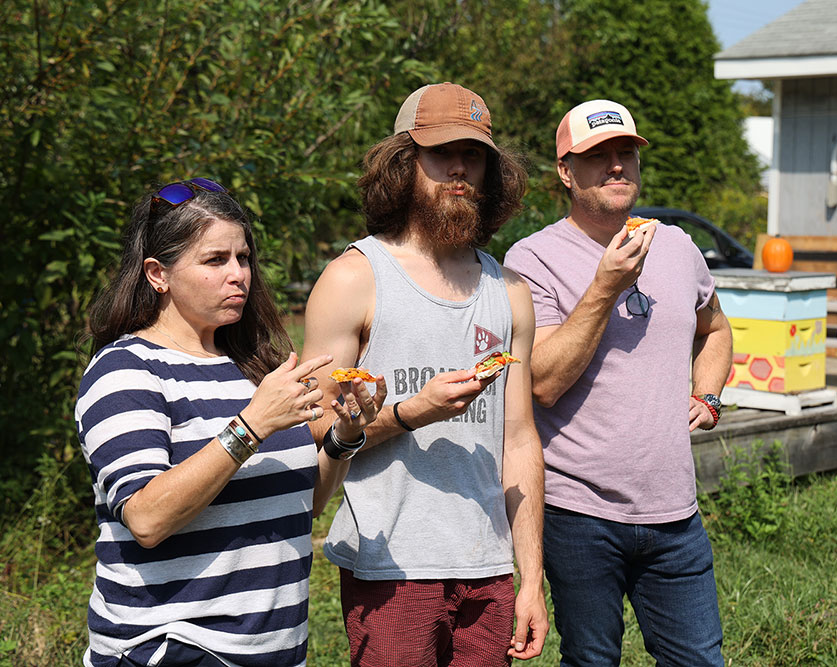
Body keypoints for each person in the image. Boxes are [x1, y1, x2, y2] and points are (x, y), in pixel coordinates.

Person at [75, 178, 382, 667]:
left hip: (275, 649)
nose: (239, 274)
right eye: (215, 260)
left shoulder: (255, 367)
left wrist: (344, 436)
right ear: (158, 274)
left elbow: (302, 503)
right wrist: (252, 425)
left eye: (243, 258)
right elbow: (147, 518)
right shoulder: (126, 370)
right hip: (170, 649)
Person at [303, 82, 548, 666]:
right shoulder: (355, 278)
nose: (459, 168)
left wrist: (531, 577)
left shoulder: (509, 291)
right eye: (441, 154)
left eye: (475, 155)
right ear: (404, 163)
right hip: (392, 564)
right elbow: (313, 429)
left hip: (488, 568)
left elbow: (519, 438)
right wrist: (415, 412)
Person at [503, 99, 733, 666]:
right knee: (591, 660)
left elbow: (717, 327)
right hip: (578, 515)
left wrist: (708, 394)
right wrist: (606, 284)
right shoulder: (531, 259)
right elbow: (544, 383)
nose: (615, 166)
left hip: (675, 514)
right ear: (565, 172)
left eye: (625, 153)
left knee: (700, 660)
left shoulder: (678, 247)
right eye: (597, 156)